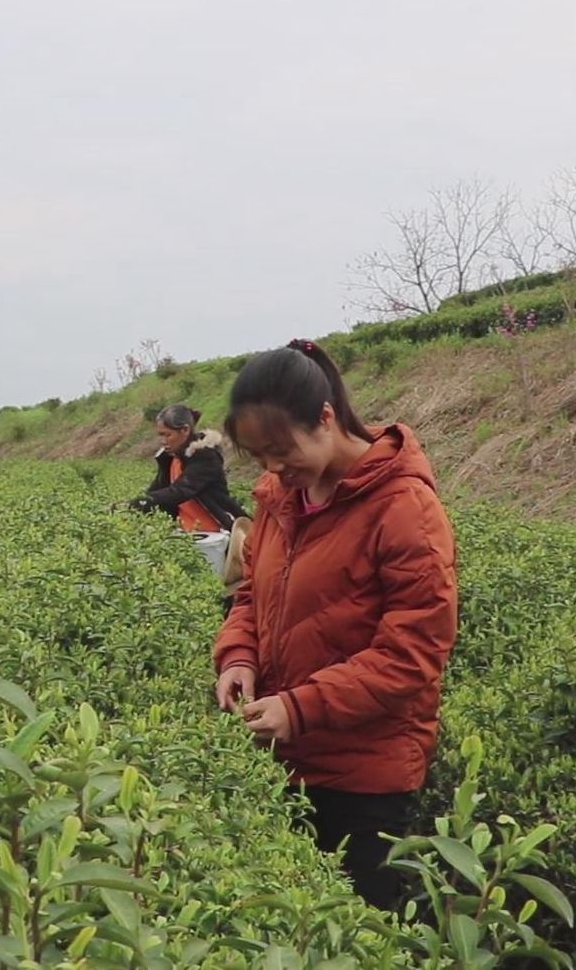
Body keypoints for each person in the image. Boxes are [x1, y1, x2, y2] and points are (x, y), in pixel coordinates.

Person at [212, 338, 456, 911]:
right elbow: (251, 593)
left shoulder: (404, 509)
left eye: (280, 448)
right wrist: (238, 658)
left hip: (364, 773)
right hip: (284, 758)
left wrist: (300, 708)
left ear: (325, 418)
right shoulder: (280, 499)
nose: (273, 467)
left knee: (362, 927)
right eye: (259, 455)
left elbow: (413, 653)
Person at [130, 404, 249, 533]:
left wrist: (147, 501)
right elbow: (159, 489)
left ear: (185, 430)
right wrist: (135, 503)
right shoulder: (173, 458)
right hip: (186, 530)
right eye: (160, 436)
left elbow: (182, 490)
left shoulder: (204, 456)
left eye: (167, 435)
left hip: (214, 531)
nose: (163, 441)